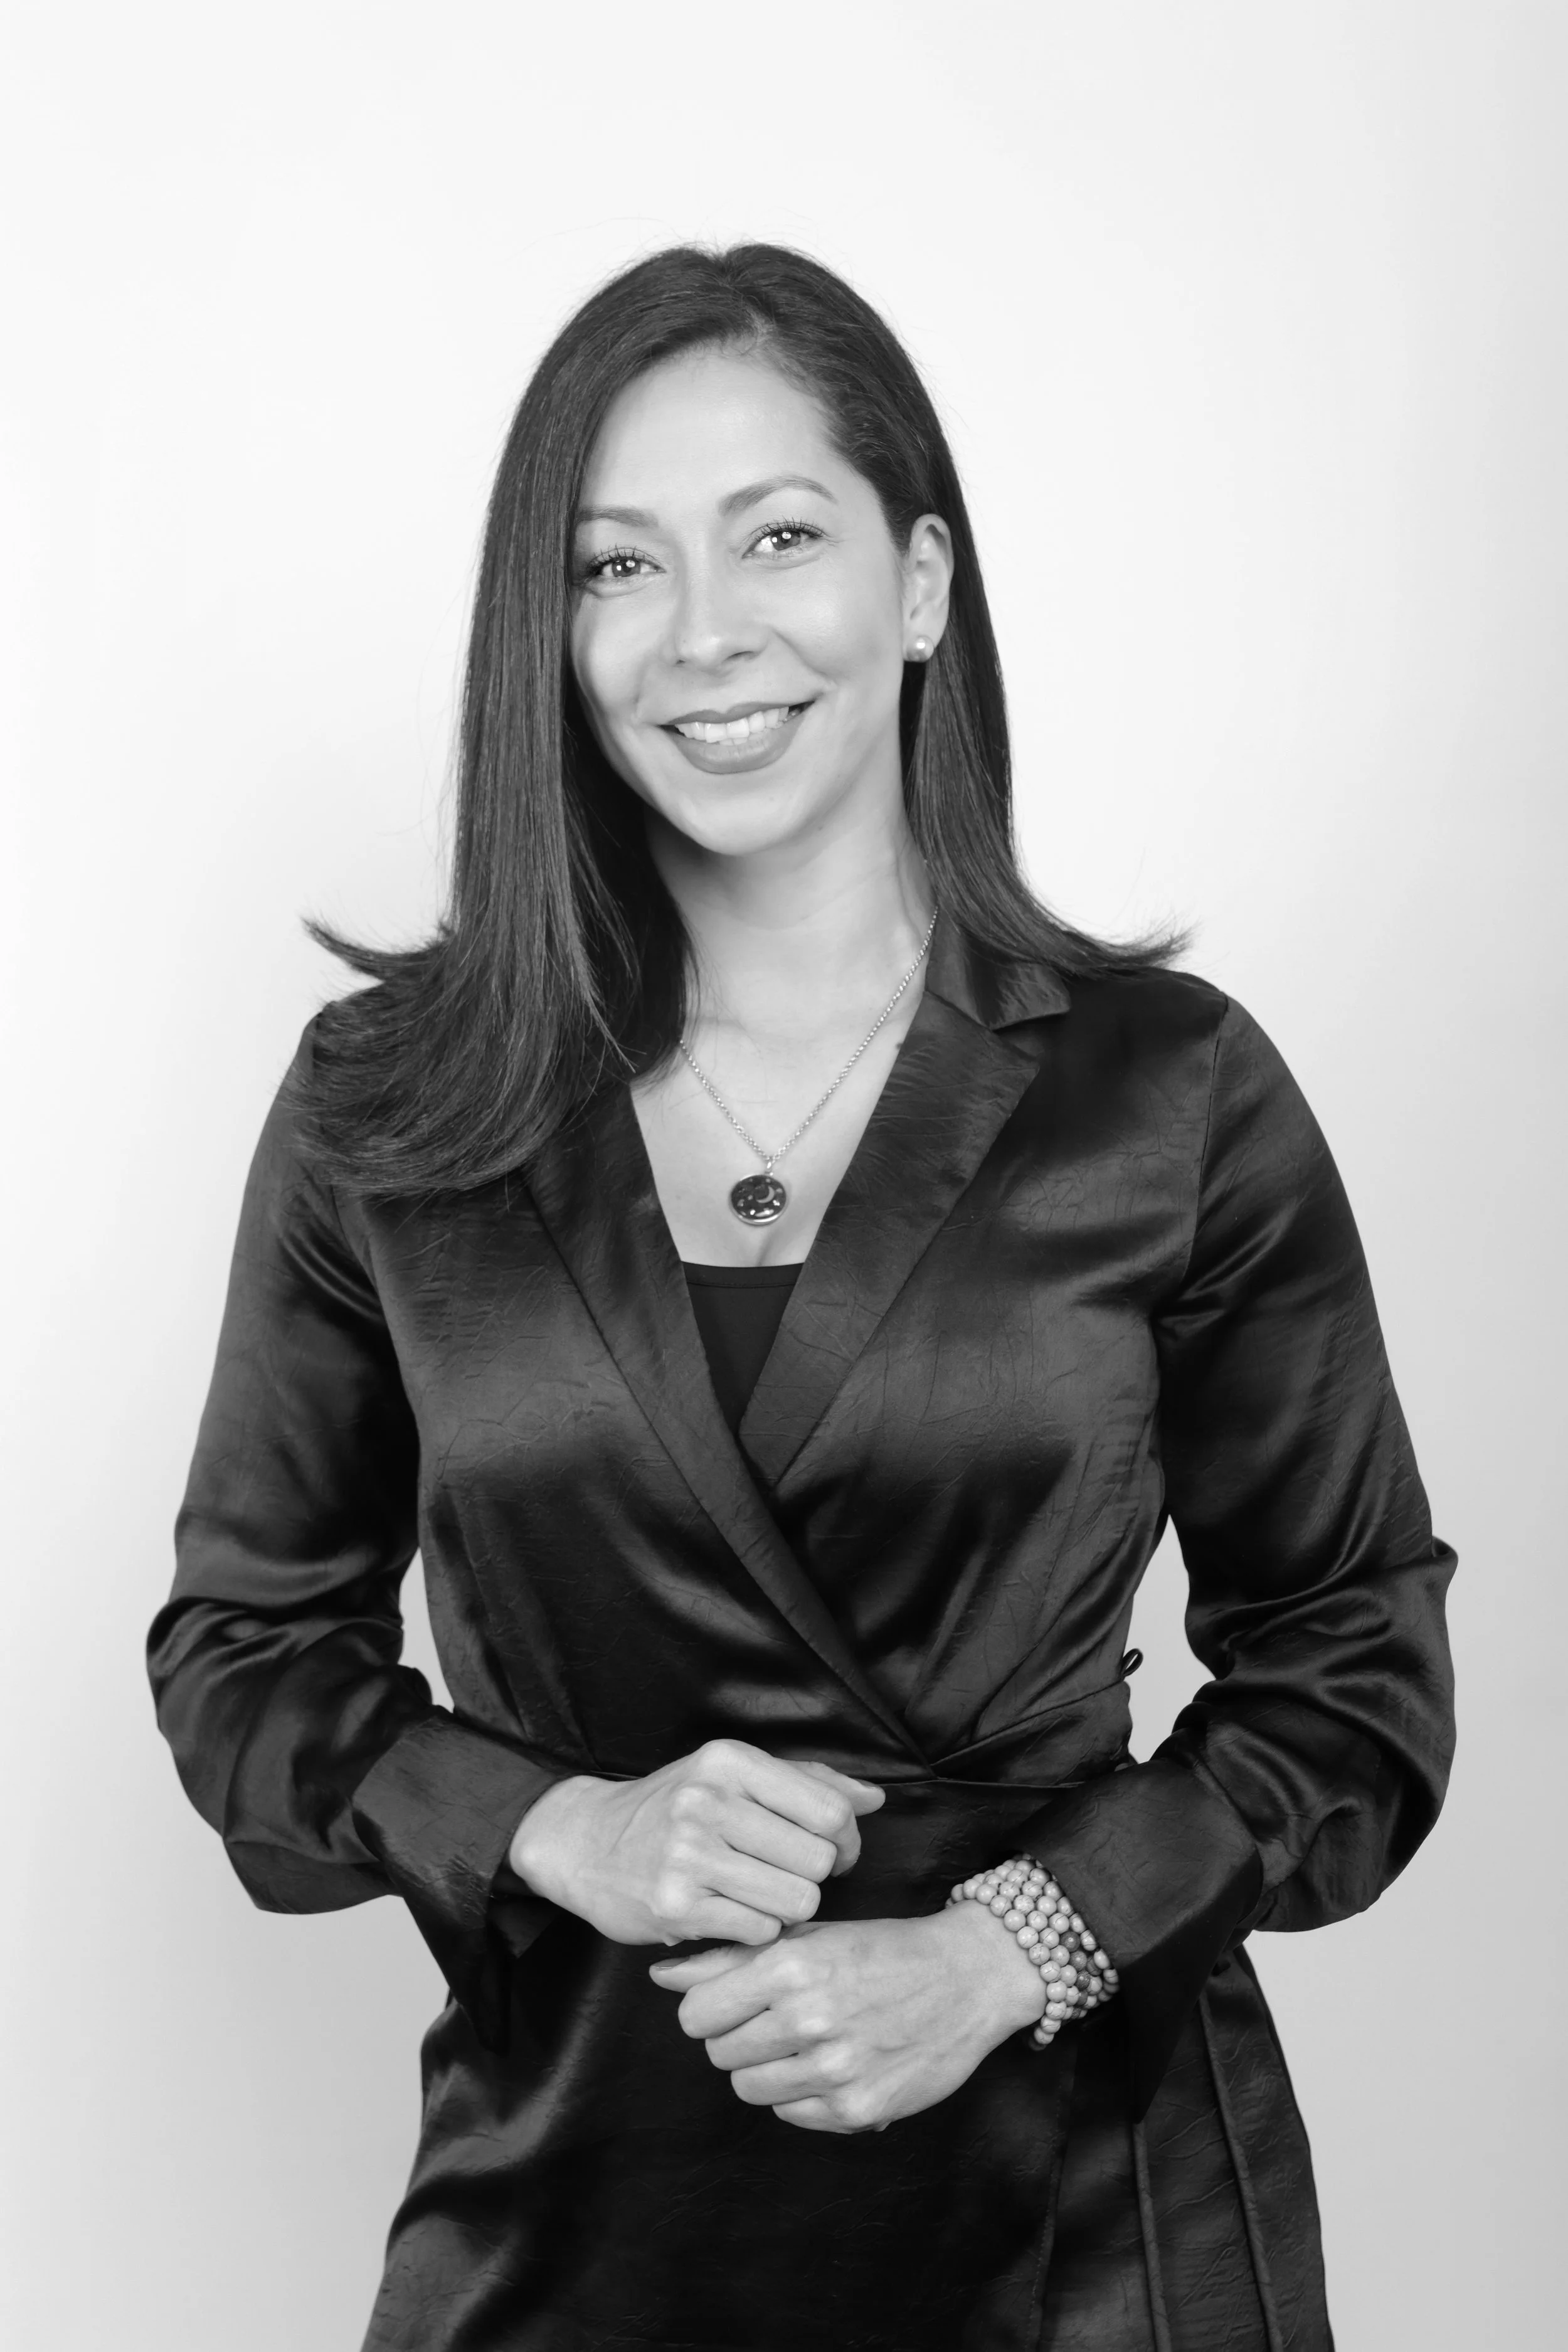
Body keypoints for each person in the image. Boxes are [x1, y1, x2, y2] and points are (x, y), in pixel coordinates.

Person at [149, 243, 1456, 2352]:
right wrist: (559, 1823)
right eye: (616, 565)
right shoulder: (389, 1107)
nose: (703, 632)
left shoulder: (1170, 1093)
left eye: (777, 536)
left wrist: (1015, 1943)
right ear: (551, 635)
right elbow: (243, 1655)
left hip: (1088, 2224)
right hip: (572, 2199)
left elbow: (1355, 1669)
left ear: (918, 584)